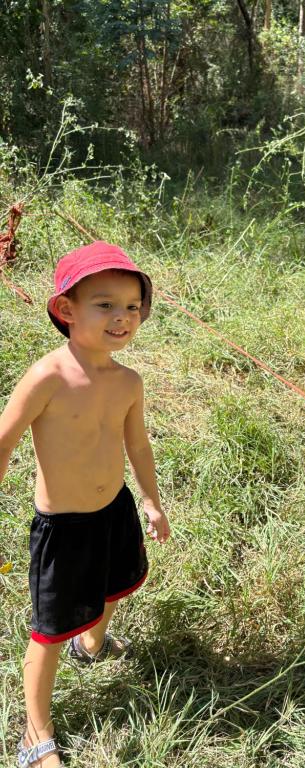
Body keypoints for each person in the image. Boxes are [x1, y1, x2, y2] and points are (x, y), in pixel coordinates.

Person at [0, 241, 170, 767]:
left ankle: (92, 643)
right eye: (105, 304)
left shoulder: (128, 381)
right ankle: (35, 734)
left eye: (132, 306)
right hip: (63, 526)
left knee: (117, 583)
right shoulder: (48, 376)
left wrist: (150, 498)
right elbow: (4, 440)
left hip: (114, 509)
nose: (122, 317)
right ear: (66, 310)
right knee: (49, 631)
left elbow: (137, 444)